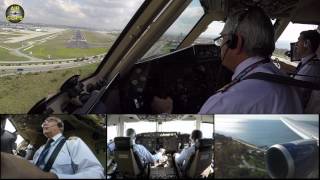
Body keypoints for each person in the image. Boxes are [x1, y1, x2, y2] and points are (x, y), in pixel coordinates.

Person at [153, 7, 303, 113]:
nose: (221, 46)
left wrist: (166, 111)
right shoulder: (283, 79)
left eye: (223, 38)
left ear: (235, 42)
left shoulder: (227, 102)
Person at [31, 116, 105, 179]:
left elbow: (96, 173)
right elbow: (33, 164)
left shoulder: (72, 143)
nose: (45, 123)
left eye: (50, 121)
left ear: (60, 126)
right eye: (44, 122)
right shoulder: (41, 149)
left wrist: (57, 177)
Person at [292, 30, 320, 107]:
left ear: (306, 43)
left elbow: (294, 89)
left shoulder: (312, 67)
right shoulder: (307, 63)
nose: (296, 43)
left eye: (299, 40)